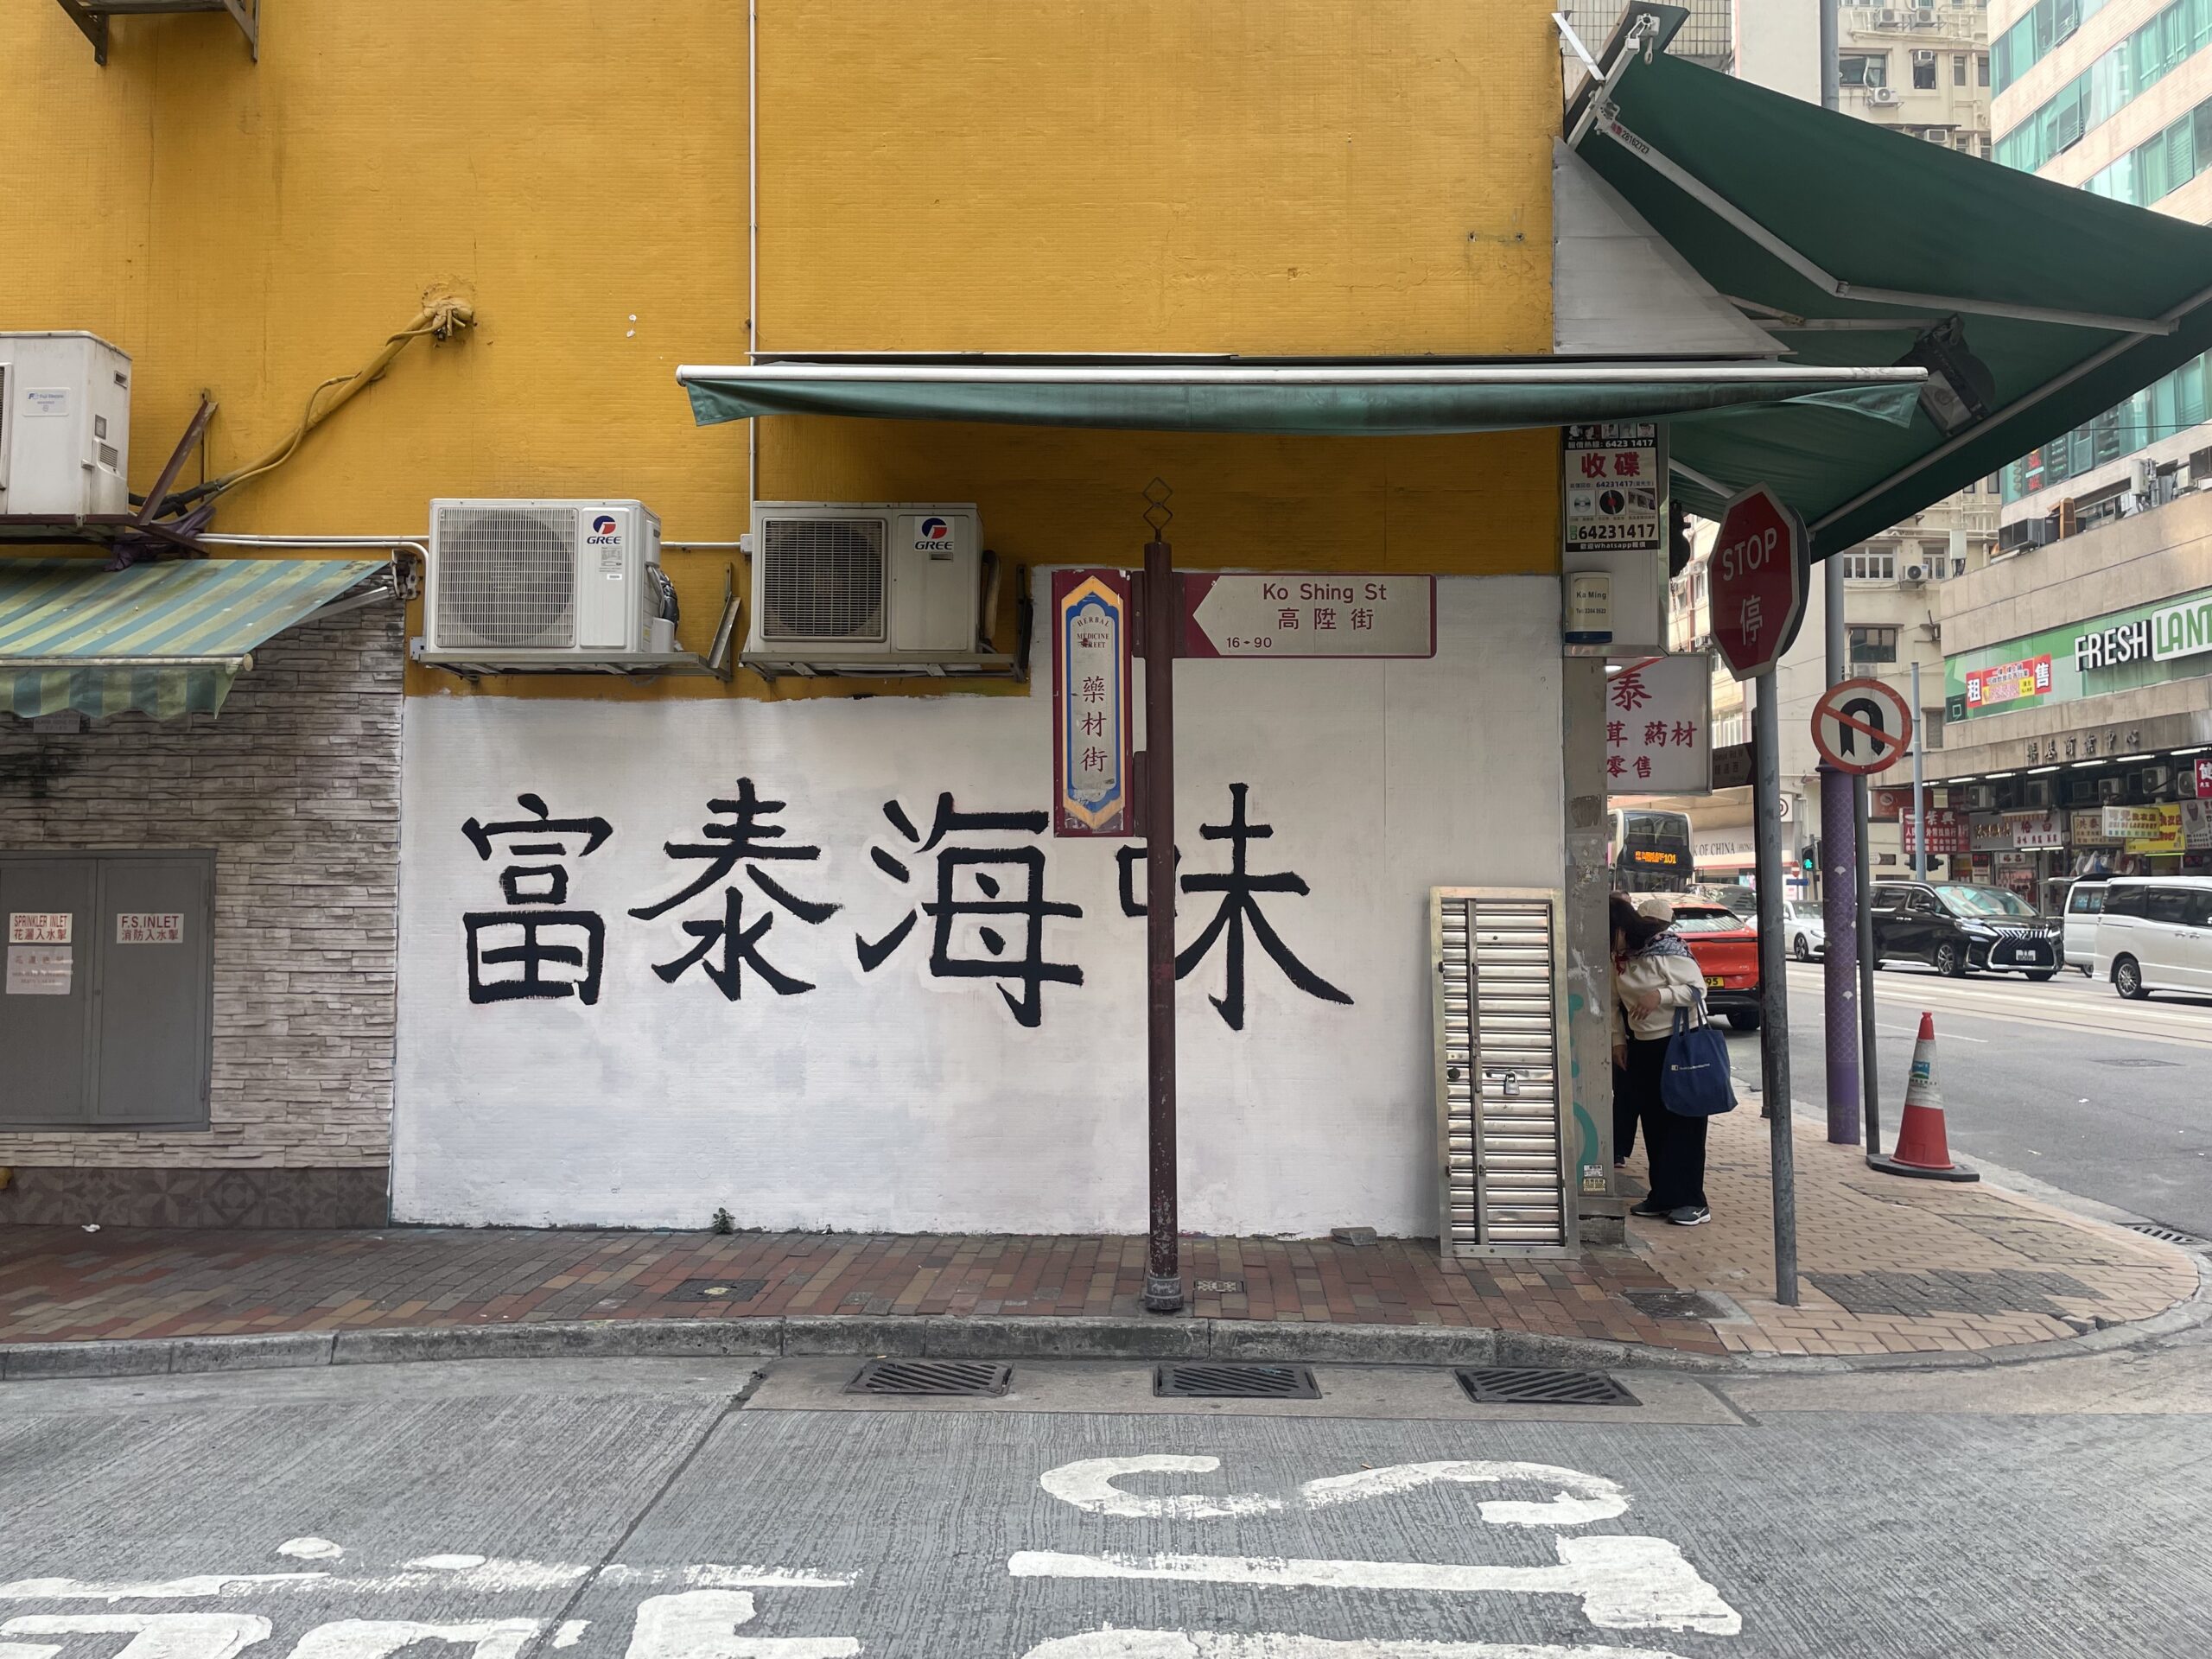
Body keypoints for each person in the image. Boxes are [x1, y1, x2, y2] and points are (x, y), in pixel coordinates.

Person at [1609, 893, 1713, 1226]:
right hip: (1642, 1046)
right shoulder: (1620, 958)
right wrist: (1617, 1042)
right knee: (1654, 1123)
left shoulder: (1666, 949)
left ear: (1624, 929)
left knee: (1684, 1122)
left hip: (1680, 1043)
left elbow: (1697, 989)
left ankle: (1693, 1200)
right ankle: (1663, 1194)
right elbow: (1613, 1004)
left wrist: (1660, 995)